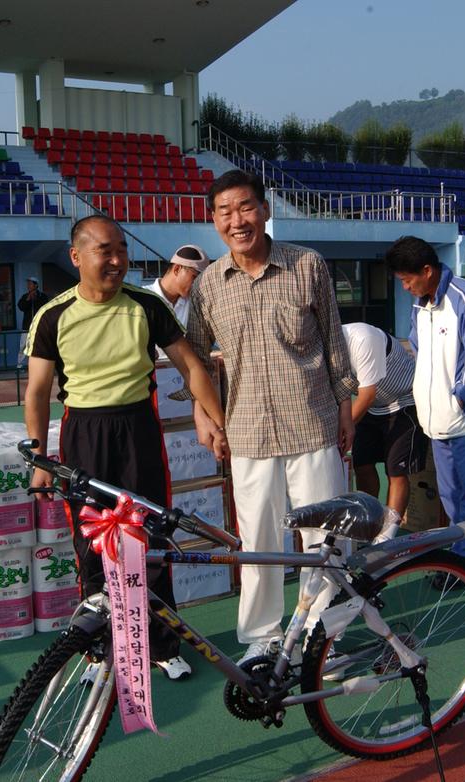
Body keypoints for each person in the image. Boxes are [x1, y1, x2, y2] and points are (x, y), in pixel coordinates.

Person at [25, 214, 228, 681]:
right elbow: (37, 390)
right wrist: (39, 458)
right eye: (105, 250)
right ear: (76, 257)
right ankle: (97, 648)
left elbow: (193, 367)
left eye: (121, 249)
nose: (117, 259)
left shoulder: (146, 306)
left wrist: (219, 423)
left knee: (150, 536)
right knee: (92, 543)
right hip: (83, 435)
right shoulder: (52, 315)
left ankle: (160, 644)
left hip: (138, 429)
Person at [184, 170, 356, 663]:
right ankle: (261, 637)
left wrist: (346, 407)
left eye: (245, 208)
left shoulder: (308, 266)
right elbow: (194, 357)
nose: (237, 221)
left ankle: (323, 634)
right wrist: (201, 412)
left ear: (264, 209)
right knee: (257, 540)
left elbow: (333, 341)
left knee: (323, 538)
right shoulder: (210, 285)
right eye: (225, 212)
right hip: (248, 434)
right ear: (214, 220)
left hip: (314, 424)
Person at [387, 236, 465, 574]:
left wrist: (461, 398)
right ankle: (461, 552)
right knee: (451, 494)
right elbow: (422, 354)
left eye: (409, 279)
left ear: (427, 270)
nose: (406, 287)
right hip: (435, 419)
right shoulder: (420, 305)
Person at [340, 321, 426, 521]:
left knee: (395, 470)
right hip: (373, 407)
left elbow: (367, 395)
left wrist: (341, 433)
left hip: (404, 402)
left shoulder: (362, 338)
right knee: (362, 465)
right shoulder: (326, 350)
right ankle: (368, 524)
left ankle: (387, 533)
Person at [144, 244, 210, 327]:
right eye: (194, 277)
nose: (198, 285)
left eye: (201, 281)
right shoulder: (143, 298)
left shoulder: (193, 304)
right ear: (177, 269)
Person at [16, 276, 49, 368]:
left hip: (39, 326)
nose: (28, 285)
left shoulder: (42, 296)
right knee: (23, 346)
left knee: (39, 345)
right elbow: (21, 307)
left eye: (30, 283)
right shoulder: (25, 296)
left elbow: (45, 307)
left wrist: (36, 298)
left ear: (36, 285)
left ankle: (39, 365)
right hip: (26, 326)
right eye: (28, 283)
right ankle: (20, 365)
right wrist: (28, 299)